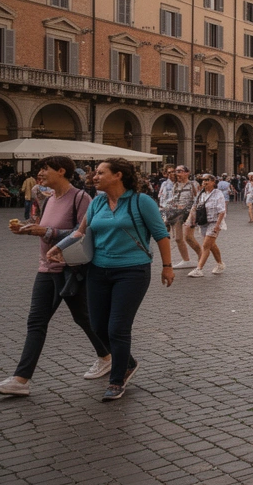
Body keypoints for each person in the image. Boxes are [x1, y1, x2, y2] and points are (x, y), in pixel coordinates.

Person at [47, 158, 173, 401]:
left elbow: (161, 235)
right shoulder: (97, 203)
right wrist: (59, 247)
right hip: (98, 271)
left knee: (117, 328)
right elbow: (80, 231)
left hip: (132, 271)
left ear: (118, 175)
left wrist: (167, 267)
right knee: (98, 326)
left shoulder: (141, 201)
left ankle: (117, 380)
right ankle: (128, 362)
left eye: (101, 173)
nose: (94, 177)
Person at [0, 157, 109, 397]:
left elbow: (85, 232)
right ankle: (21, 380)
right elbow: (44, 225)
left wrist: (47, 231)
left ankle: (115, 358)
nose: (39, 173)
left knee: (84, 318)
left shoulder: (80, 198)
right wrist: (28, 227)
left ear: (61, 171)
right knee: (38, 321)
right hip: (46, 267)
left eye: (44, 169)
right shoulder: (48, 198)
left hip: (69, 268)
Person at [184, 174, 227, 277]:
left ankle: (199, 269)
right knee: (211, 245)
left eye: (207, 180)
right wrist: (189, 221)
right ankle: (220, 264)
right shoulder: (201, 194)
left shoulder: (218, 194)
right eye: (203, 180)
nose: (204, 182)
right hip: (204, 223)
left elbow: (222, 211)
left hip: (214, 222)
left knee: (206, 245)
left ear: (213, 182)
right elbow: (194, 208)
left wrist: (217, 225)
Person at [158, 165, 199, 269]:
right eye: (176, 171)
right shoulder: (176, 185)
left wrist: (191, 210)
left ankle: (202, 256)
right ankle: (186, 260)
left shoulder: (193, 184)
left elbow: (198, 199)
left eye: (180, 171)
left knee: (189, 237)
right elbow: (173, 199)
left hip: (189, 213)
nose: (177, 173)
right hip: (177, 214)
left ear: (187, 172)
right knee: (178, 238)